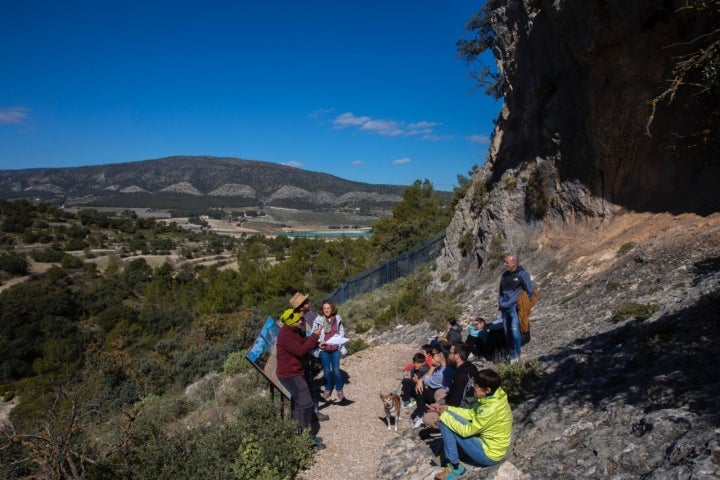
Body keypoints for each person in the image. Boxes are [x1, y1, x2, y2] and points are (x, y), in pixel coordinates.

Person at [432, 369, 513, 480]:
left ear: (487, 390)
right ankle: (451, 453)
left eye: (476, 385)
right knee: (447, 415)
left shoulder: (491, 409)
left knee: (445, 421)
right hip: (486, 444)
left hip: (489, 455)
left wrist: (444, 416)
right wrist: (447, 408)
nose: (472, 387)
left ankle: (455, 467)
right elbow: (471, 413)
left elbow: (466, 431)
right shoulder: (492, 398)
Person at [275, 307, 325, 450]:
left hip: (294, 372)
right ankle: (305, 439)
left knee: (300, 403)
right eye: (299, 320)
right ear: (291, 322)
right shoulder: (286, 335)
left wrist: (315, 343)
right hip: (289, 374)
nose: (302, 321)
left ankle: (301, 435)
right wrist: (315, 336)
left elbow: (303, 342)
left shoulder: (293, 331)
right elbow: (300, 350)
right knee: (305, 403)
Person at [288, 292, 329, 422]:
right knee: (303, 388)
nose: (309, 304)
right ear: (300, 307)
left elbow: (319, 327)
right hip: (300, 358)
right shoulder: (295, 320)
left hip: (306, 355)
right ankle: (304, 418)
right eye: (306, 303)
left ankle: (313, 412)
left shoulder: (309, 314)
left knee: (310, 385)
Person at [424, 342, 479, 429]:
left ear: (457, 356)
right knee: (440, 394)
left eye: (450, 353)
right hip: (467, 405)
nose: (448, 355)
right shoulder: (470, 367)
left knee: (427, 418)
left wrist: (439, 409)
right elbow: (454, 394)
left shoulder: (461, 375)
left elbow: (456, 403)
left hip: (464, 411)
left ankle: (448, 429)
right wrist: (438, 403)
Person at [498, 252, 534, 364]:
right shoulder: (504, 276)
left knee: (514, 331)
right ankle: (511, 353)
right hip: (504, 307)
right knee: (507, 332)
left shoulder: (522, 274)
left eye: (507, 262)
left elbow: (530, 292)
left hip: (514, 307)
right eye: (504, 262)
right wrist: (500, 304)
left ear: (514, 262)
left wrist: (524, 306)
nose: (505, 264)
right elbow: (501, 292)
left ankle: (516, 355)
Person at [409, 346, 454, 428]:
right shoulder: (442, 367)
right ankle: (422, 411)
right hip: (440, 392)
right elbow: (427, 376)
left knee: (421, 389)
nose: (432, 357)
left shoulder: (443, 372)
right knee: (421, 385)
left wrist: (433, 366)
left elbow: (428, 380)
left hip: (443, 396)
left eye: (433, 355)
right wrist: (420, 380)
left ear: (440, 355)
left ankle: (421, 414)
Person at [317, 300, 349, 404]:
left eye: (328, 308)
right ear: (322, 310)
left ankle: (339, 390)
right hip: (324, 349)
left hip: (335, 348)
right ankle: (327, 390)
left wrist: (339, 342)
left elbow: (341, 332)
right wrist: (319, 341)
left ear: (332, 309)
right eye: (324, 308)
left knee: (335, 370)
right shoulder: (318, 320)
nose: (326, 310)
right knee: (326, 370)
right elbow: (315, 333)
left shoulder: (337, 319)